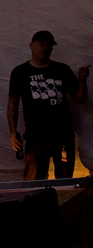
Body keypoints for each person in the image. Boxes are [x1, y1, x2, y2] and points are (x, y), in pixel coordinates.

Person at [8, 30, 89, 180]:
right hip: (36, 137)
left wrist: (82, 81)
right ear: (31, 46)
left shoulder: (61, 69)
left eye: (49, 45)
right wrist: (13, 132)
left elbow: (80, 98)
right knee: (34, 182)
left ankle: (64, 202)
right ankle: (35, 203)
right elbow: (12, 103)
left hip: (63, 135)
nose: (45, 47)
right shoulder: (20, 72)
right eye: (41, 43)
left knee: (64, 181)